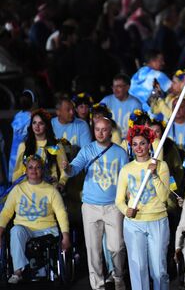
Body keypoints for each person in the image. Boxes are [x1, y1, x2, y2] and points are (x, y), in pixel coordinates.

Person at [65, 117, 128, 290]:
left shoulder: (120, 153)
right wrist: (67, 168)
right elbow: (74, 168)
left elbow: (127, 179)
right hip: (90, 206)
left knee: (117, 247)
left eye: (104, 129)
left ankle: (118, 276)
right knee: (93, 250)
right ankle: (98, 285)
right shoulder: (87, 150)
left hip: (114, 206)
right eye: (97, 129)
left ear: (110, 131)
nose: (100, 133)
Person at [115, 125, 170, 290]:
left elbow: (164, 197)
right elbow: (118, 200)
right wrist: (126, 210)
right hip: (134, 224)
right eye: (135, 144)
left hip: (157, 221)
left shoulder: (161, 166)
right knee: (138, 269)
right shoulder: (126, 169)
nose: (139, 147)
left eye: (143, 143)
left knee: (159, 271)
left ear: (149, 145)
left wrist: (154, 175)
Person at [0, 156, 70, 284]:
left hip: (46, 230)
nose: (33, 170)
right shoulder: (17, 190)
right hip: (24, 228)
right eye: (30, 167)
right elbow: (5, 213)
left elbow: (61, 213)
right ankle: (18, 272)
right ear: (25, 170)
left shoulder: (51, 191)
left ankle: (42, 268)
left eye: (37, 167)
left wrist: (65, 235)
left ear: (42, 170)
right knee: (15, 230)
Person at [12, 109, 69, 187]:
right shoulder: (23, 146)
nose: (37, 126)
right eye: (34, 123)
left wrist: (62, 183)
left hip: (50, 189)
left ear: (46, 126)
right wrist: (15, 187)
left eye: (41, 123)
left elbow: (64, 169)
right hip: (27, 189)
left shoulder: (55, 145)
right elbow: (17, 171)